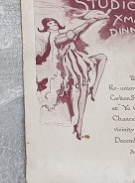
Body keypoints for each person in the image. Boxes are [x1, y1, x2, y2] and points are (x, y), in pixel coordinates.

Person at [36, 11, 109, 139]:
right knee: (79, 91)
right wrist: (90, 21)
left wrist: (94, 19)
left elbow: (73, 35)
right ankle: (79, 123)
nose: (53, 24)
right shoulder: (55, 38)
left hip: (79, 61)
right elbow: (73, 34)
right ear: (47, 28)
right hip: (70, 66)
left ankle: (94, 88)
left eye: (54, 22)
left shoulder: (61, 34)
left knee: (102, 58)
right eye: (50, 24)